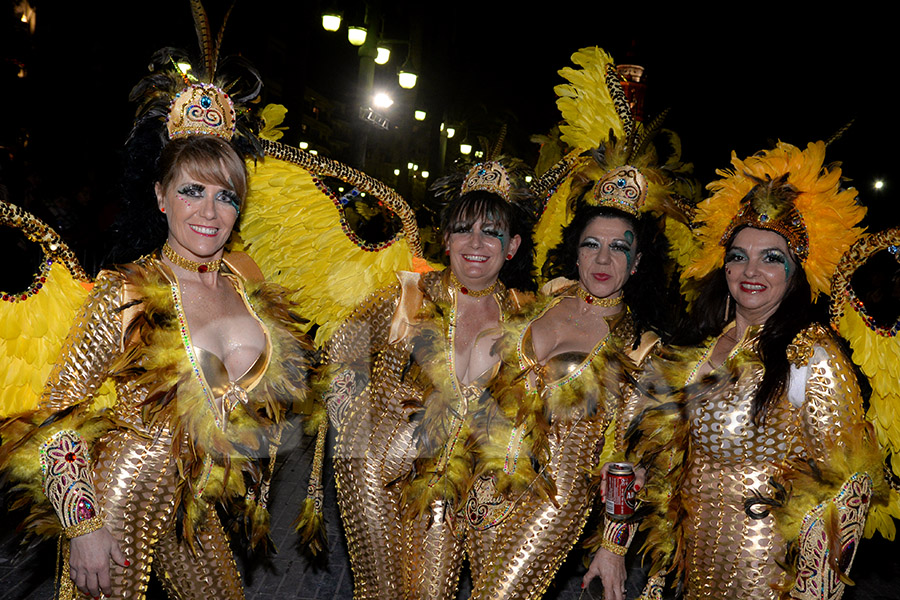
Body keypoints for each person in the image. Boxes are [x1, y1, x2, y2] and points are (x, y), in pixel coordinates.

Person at [0, 54, 311, 599]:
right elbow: (56, 417)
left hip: (195, 506)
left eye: (226, 196)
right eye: (192, 190)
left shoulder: (246, 282)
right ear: (161, 195)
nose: (210, 212)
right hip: (115, 504)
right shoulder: (127, 290)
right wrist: (83, 526)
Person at [632, 141, 888, 599]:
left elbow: (847, 484)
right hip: (690, 557)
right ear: (722, 264)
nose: (751, 270)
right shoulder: (703, 342)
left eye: (772, 257)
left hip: (761, 564)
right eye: (738, 255)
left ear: (795, 272)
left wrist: (812, 589)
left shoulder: (810, 355)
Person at [319, 160, 536, 599]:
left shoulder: (525, 315)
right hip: (376, 475)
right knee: (379, 590)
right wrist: (364, 421)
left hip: (451, 489)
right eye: (463, 229)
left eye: (491, 232)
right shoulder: (410, 294)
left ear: (511, 246)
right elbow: (339, 352)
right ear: (446, 238)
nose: (475, 243)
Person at [462, 162, 672, 600]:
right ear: (575, 252)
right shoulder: (540, 301)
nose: (601, 258)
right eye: (591, 244)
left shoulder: (640, 346)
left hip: (553, 501)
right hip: (483, 482)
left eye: (618, 248)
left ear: (636, 264)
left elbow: (632, 456)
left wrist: (613, 547)